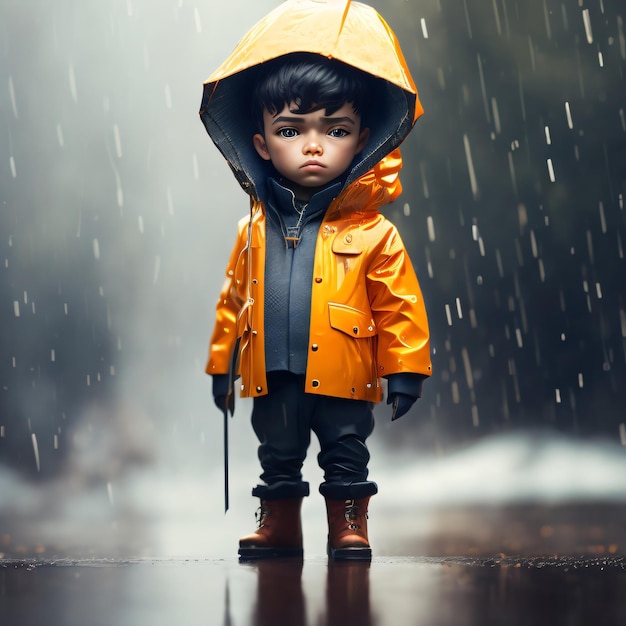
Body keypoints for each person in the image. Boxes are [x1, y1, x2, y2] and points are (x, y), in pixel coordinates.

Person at [200, 0, 431, 561]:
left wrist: (404, 368)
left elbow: (400, 305)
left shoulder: (374, 232)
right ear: (260, 143)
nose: (312, 145)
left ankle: (349, 523)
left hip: (345, 369)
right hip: (272, 368)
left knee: (347, 450)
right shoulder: (252, 231)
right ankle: (278, 523)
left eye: (336, 129)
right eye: (290, 129)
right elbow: (234, 300)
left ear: (362, 139)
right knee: (276, 452)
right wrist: (222, 365)